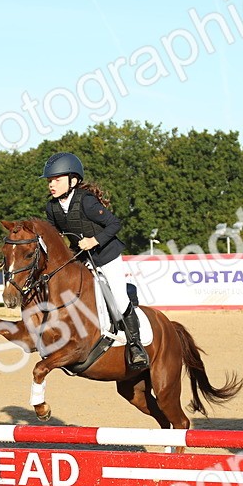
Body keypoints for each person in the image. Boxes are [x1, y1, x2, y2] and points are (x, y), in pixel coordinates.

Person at [41, 152, 148, 370]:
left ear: (73, 180)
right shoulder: (51, 207)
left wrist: (94, 240)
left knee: (118, 297)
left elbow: (114, 224)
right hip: (81, 259)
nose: (52, 184)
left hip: (107, 256)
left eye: (57, 180)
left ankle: (136, 346)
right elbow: (55, 236)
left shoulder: (87, 202)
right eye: (50, 181)